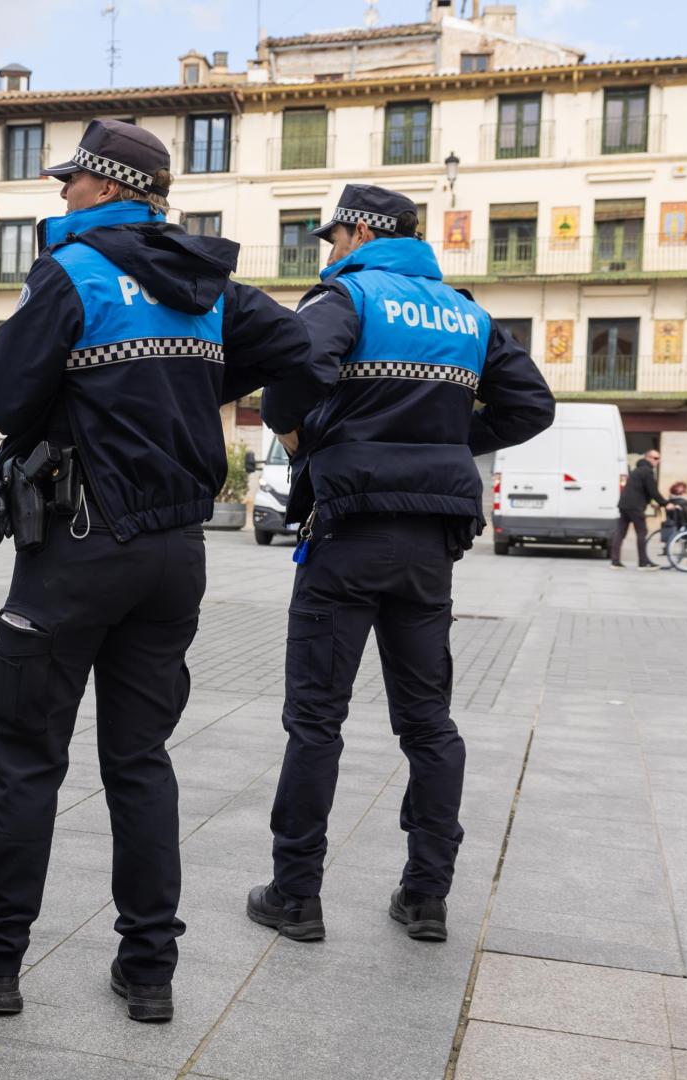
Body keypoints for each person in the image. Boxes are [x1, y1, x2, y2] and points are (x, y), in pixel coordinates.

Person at [0, 119, 335, 1022]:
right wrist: (188, 383)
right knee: (140, 760)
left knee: (27, 759)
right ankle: (150, 971)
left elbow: (1, 396)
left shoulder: (73, 272)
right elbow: (300, 351)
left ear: (107, 186)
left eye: (71, 181)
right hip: (177, 555)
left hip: (78, 552)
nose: (60, 195)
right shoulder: (208, 285)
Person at [247, 184, 554, 945]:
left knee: (317, 719)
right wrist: (444, 441)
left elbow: (288, 371)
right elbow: (532, 406)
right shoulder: (466, 313)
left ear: (356, 233)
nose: (329, 250)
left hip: (348, 533)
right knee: (428, 723)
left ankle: (296, 895)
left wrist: (301, 431)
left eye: (331, 237)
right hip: (431, 545)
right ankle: (425, 898)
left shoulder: (346, 298)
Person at [611, 449, 667, 569]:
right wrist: (665, 504)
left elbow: (641, 490)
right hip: (635, 507)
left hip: (624, 504)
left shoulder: (637, 470)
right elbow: (653, 491)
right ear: (648, 458)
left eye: (659, 459)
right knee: (642, 532)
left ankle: (615, 562)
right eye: (655, 458)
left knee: (620, 533)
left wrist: (651, 502)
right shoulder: (647, 471)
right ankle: (643, 562)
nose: (658, 461)